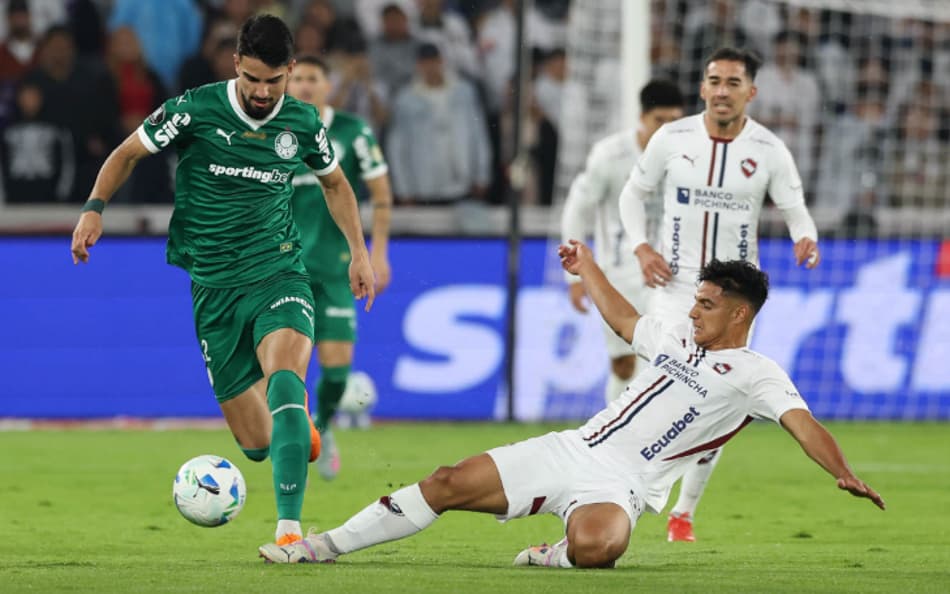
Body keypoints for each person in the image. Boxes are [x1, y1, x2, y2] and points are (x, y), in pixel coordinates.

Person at [259, 248, 884, 568]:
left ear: (740, 314)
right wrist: (586, 268)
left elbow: (805, 425)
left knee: (597, 552)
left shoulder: (757, 374)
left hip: (626, 485)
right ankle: (323, 546)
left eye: (707, 304)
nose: (693, 311)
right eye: (695, 301)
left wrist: (841, 472)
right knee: (445, 483)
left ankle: (554, 552)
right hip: (574, 448)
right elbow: (622, 317)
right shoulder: (674, 340)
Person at [69, 14, 376, 551]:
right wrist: (94, 209)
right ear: (236, 64)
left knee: (285, 377)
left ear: (290, 70)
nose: (262, 92)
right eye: (253, 78)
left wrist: (359, 251)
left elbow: (336, 184)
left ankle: (288, 532)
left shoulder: (302, 123)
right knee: (257, 443)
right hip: (212, 286)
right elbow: (127, 153)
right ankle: (292, 429)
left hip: (278, 268)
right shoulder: (196, 109)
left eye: (273, 81)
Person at [618, 47, 821, 543]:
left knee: (723, 400)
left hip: (736, 298)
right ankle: (626, 487)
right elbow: (632, 195)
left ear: (751, 92)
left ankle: (683, 511)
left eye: (733, 82)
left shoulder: (769, 149)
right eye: (714, 81)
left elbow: (795, 206)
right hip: (676, 286)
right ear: (703, 88)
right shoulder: (672, 138)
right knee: (657, 385)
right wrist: (642, 246)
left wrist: (805, 235)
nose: (722, 90)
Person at [287, 54, 392, 481]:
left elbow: (381, 195)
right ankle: (294, 440)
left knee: (336, 370)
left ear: (327, 85)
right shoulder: (274, 130)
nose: (305, 86)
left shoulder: (353, 132)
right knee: (289, 368)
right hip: (283, 266)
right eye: (298, 79)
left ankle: (323, 427)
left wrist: (377, 252)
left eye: (313, 78)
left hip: (335, 269)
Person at [561, 79, 684, 405]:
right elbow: (577, 210)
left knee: (666, 363)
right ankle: (613, 435)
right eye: (660, 120)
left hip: (672, 277)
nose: (667, 128)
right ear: (642, 117)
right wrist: (573, 277)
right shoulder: (610, 155)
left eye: (674, 121)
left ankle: (651, 440)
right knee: (624, 363)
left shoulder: (688, 157)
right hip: (619, 274)